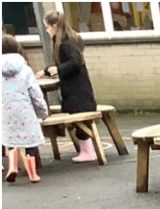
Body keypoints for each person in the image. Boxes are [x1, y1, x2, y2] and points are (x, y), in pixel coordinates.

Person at [43, 10, 98, 162]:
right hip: (77, 90)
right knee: (75, 119)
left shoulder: (65, 43)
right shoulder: (66, 40)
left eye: (47, 26)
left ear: (54, 26)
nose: (46, 30)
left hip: (77, 92)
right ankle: (86, 151)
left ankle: (89, 152)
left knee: (78, 119)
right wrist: (46, 71)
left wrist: (58, 69)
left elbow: (75, 62)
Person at [2, 31, 47, 183]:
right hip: (25, 110)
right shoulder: (25, 69)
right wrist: (42, 111)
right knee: (29, 142)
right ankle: (32, 174)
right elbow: (35, 92)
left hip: (5, 111)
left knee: (11, 139)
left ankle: (12, 167)